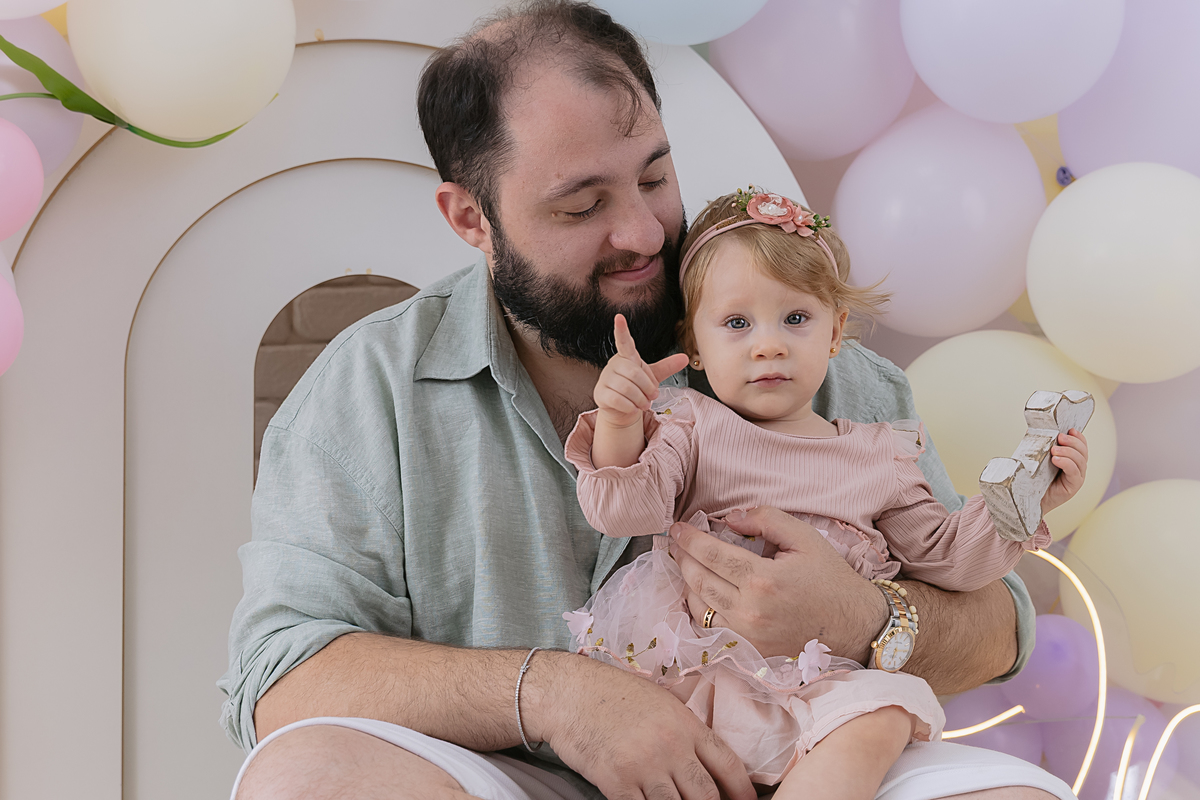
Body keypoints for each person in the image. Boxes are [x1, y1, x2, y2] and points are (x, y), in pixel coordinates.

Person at [221, 3, 1069, 799]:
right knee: (306, 776)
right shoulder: (370, 389)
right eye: (582, 205)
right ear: (471, 219)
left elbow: (997, 627)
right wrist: (554, 696)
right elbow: (280, 675)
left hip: (795, 760)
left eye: (654, 178)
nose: (642, 234)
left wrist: (864, 617)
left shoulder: (794, 351)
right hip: (510, 780)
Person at [562, 187, 1089, 799]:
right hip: (701, 670)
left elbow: (948, 558)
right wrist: (622, 424)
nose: (769, 344)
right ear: (696, 347)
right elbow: (624, 512)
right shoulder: (692, 428)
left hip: (822, 683)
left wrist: (1024, 505)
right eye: (737, 323)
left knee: (889, 707)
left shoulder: (879, 456)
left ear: (835, 333)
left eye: (795, 319)